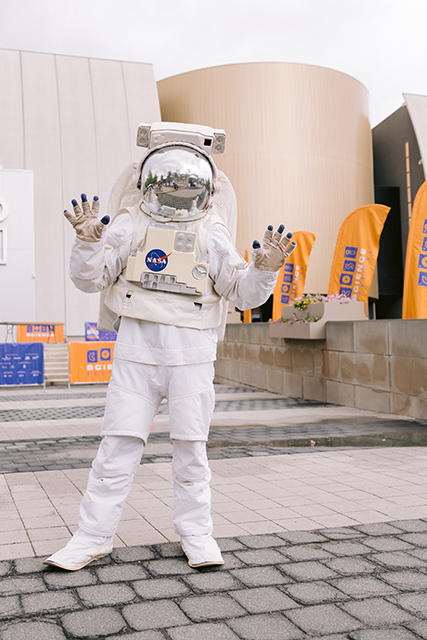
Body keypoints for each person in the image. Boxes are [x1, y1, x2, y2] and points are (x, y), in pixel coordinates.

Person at [45, 122, 295, 571]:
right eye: (168, 182)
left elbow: (242, 293)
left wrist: (265, 270)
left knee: (191, 450)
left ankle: (197, 534)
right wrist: (87, 242)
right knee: (116, 448)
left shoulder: (211, 231)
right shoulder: (129, 222)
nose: (178, 191)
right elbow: (91, 278)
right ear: (147, 183)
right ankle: (91, 536)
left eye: (189, 184)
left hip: (192, 351)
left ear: (205, 188)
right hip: (137, 349)